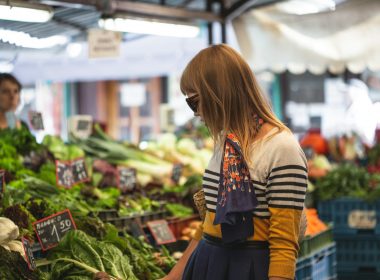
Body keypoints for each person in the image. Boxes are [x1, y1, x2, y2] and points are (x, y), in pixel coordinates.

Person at [94, 44, 307, 280]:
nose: (195, 113)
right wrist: (171, 277)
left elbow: (284, 245)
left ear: (219, 94)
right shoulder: (228, 143)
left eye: (194, 102)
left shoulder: (281, 148)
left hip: (249, 269)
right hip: (208, 263)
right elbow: (208, 225)